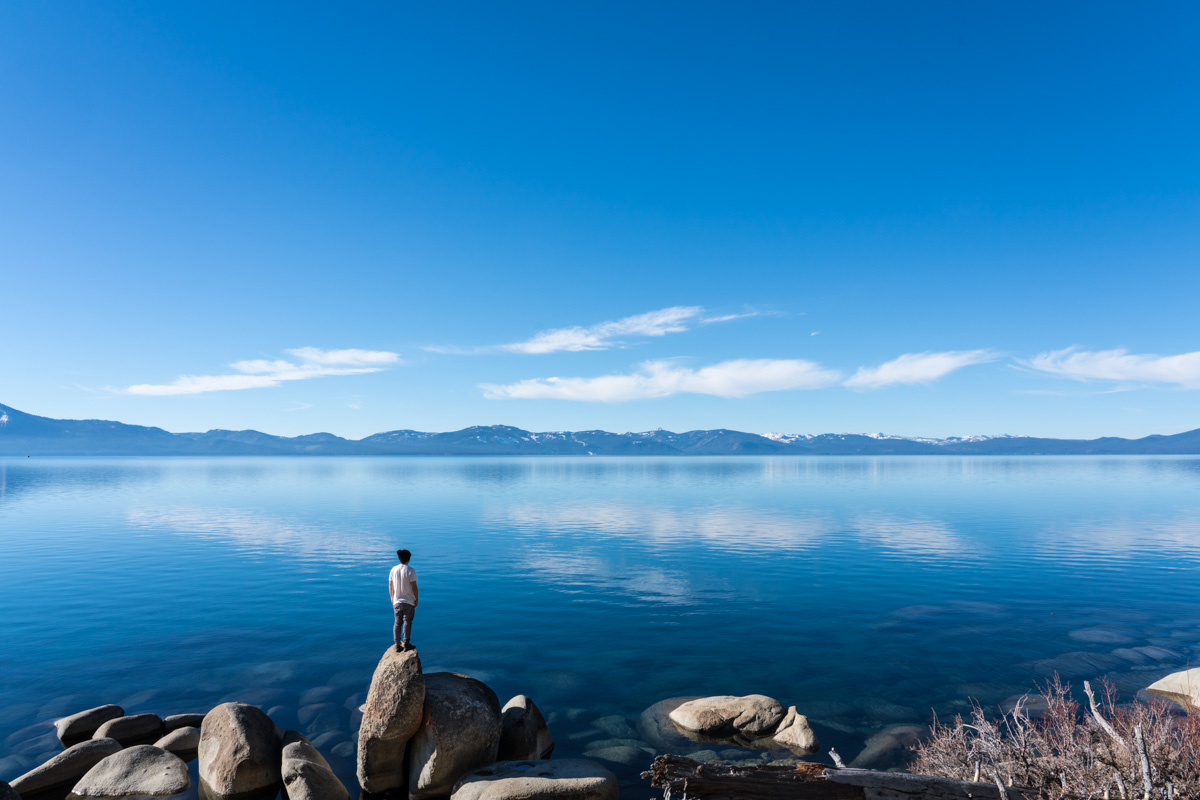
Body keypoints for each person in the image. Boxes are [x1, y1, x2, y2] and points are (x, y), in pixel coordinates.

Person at [388, 549, 418, 652]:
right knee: (407, 622)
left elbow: (390, 585)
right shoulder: (411, 570)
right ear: (409, 559)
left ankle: (397, 644)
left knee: (397, 622)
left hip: (396, 601)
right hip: (408, 601)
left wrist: (392, 597)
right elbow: (414, 587)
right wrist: (416, 599)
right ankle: (406, 644)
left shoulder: (393, 569)